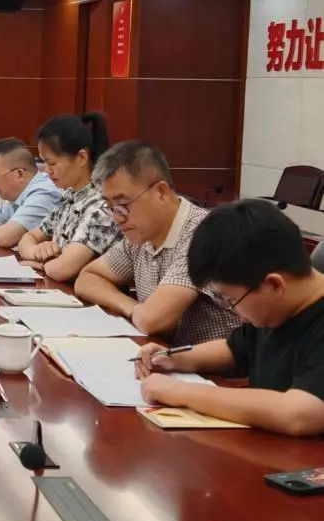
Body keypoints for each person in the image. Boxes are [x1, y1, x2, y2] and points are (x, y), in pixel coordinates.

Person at [135, 200, 324, 437]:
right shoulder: (279, 309)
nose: (233, 310)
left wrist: (180, 392)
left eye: (231, 300)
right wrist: (173, 358)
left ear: (274, 284)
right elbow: (234, 349)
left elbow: (300, 414)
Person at [75, 140, 241, 344]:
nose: (117, 217)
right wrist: (132, 307)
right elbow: (87, 278)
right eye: (110, 207)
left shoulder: (202, 234)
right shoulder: (139, 235)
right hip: (162, 355)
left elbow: (151, 319)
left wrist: (141, 313)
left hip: (210, 363)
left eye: (122, 204)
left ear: (161, 192)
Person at [17, 113, 120, 282]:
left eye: (52, 163)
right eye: (44, 163)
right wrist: (36, 252)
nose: (47, 171)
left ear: (82, 157)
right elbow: (28, 238)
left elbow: (63, 269)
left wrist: (43, 262)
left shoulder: (102, 204)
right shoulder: (70, 195)